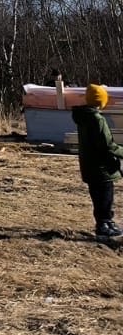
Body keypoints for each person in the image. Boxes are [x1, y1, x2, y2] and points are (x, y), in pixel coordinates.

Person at [74, 83, 122, 240]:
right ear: (101, 101)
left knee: (98, 196)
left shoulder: (84, 117)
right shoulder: (97, 119)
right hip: (101, 168)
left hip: (90, 166)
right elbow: (107, 145)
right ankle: (104, 225)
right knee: (105, 197)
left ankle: (105, 222)